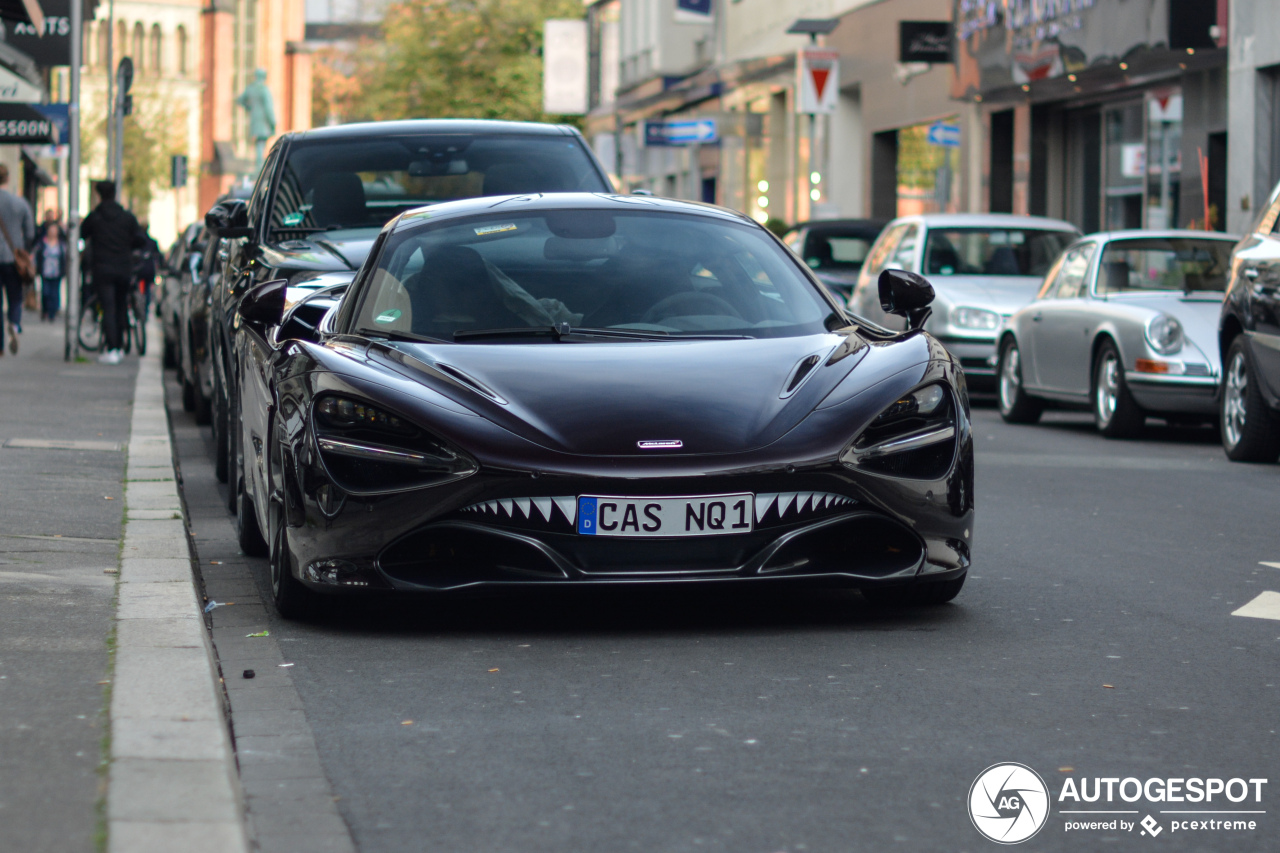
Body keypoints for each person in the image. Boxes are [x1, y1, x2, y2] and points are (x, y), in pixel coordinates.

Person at [81, 181, 144, 364]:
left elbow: (82, 234)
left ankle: (112, 347)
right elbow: (140, 239)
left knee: (108, 307)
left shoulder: (95, 217)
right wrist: (127, 246)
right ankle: (122, 345)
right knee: (121, 306)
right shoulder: (127, 217)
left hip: (102, 268)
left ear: (99, 195)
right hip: (124, 268)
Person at [0, 163, 35, 356]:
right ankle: (14, 323)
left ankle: (0, 347)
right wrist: (26, 251)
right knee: (15, 297)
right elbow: (30, 232)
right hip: (13, 258)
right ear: (8, 178)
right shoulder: (19, 203)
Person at [34, 221, 67, 321]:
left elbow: (64, 257)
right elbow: (37, 254)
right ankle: (45, 310)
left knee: (54, 293)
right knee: (45, 292)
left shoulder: (61, 244)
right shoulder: (42, 242)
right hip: (45, 271)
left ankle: (52, 313)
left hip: (56, 271)